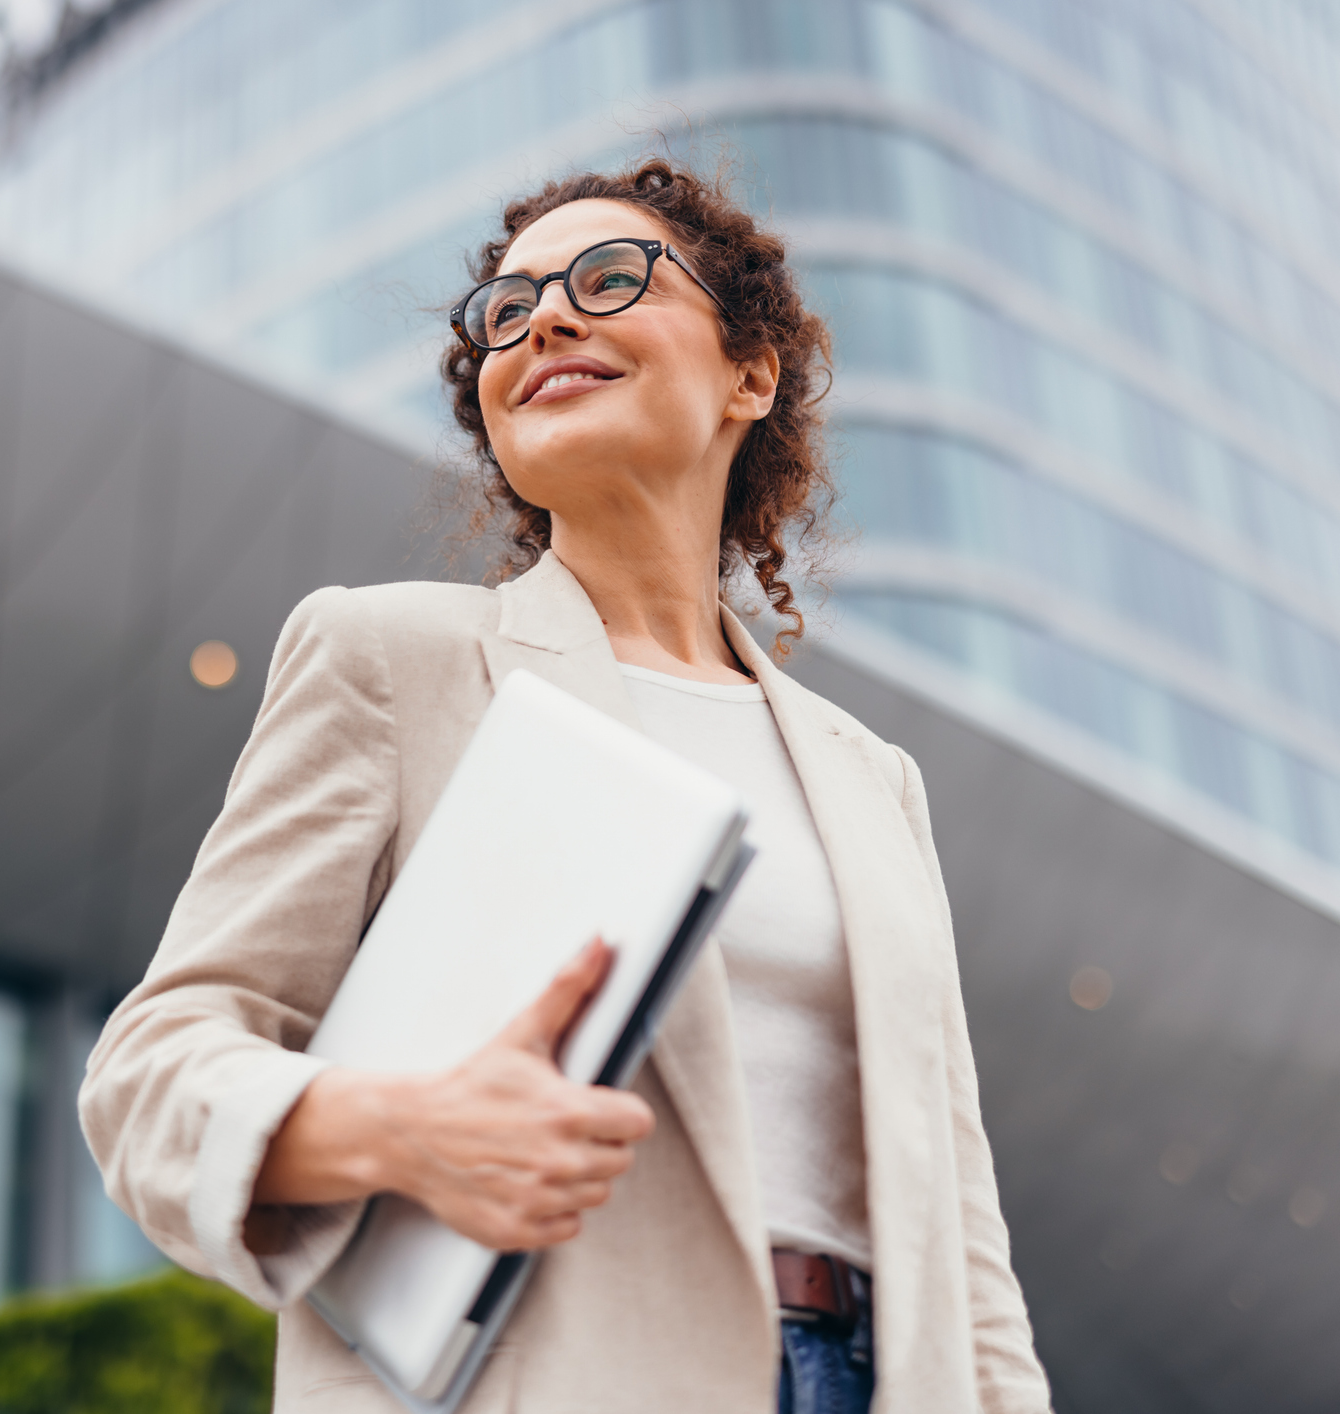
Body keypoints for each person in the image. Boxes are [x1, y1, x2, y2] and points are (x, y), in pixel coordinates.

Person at [78, 160, 1052, 1414]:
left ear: (749, 376)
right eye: (506, 306)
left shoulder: (875, 783)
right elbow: (152, 1069)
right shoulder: (393, 661)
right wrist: (396, 1127)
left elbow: (959, 1226)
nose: (542, 319)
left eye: (607, 279)